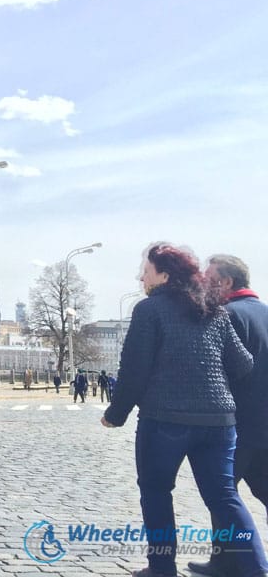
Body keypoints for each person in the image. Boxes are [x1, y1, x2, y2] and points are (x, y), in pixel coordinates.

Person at [102, 243, 267, 577]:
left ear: (163, 275)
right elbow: (243, 364)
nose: (141, 276)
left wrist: (115, 414)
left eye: (145, 270)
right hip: (219, 423)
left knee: (156, 491)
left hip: (165, 421)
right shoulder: (214, 310)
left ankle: (162, 569)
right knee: (224, 497)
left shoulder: (149, 310)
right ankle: (257, 570)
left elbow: (134, 369)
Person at [188, 255, 268, 577]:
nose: (203, 285)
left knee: (221, 496)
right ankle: (225, 560)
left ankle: (227, 562)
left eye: (209, 279)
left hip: (238, 426)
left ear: (227, 284)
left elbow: (216, 373)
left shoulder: (226, 316)